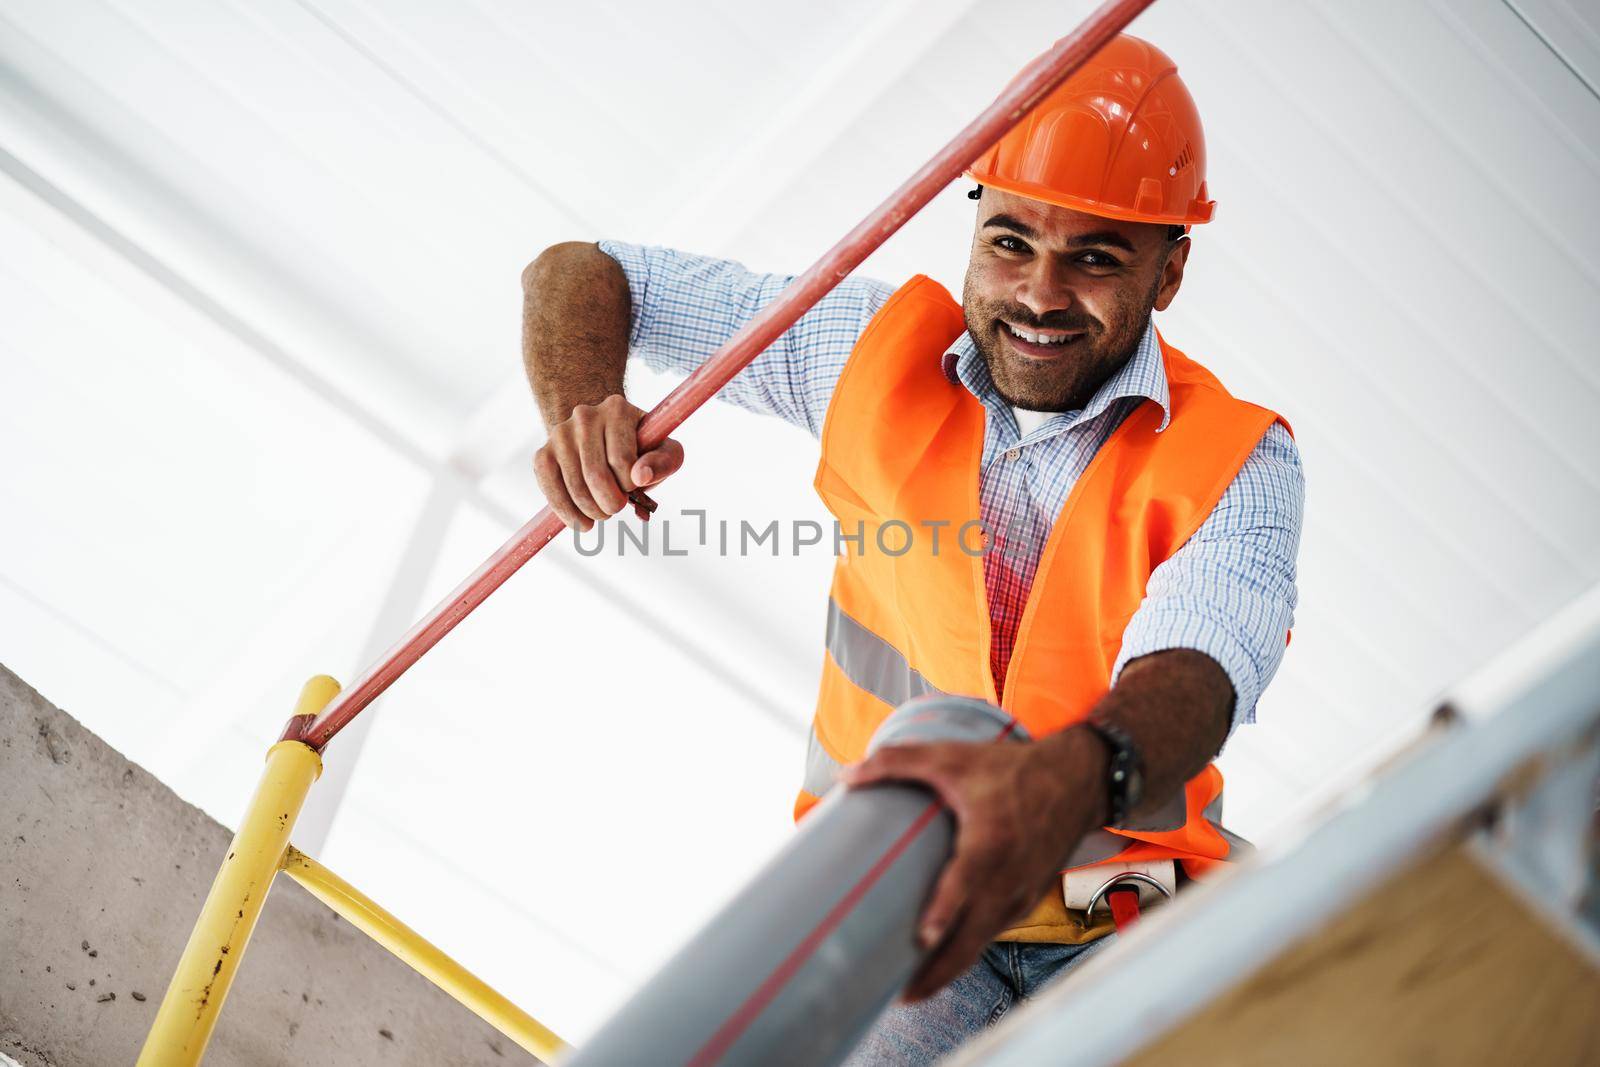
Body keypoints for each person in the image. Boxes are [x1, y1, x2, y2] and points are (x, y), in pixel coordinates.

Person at [519, 33, 1304, 1065]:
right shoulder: (864, 348)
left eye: (1097, 257)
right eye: (1011, 241)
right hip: (907, 880)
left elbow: (1196, 672)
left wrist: (1061, 784)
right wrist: (582, 404)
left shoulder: (1238, 459)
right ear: (973, 223)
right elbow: (583, 271)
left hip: (1116, 893)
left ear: (1169, 271)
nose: (1037, 293)